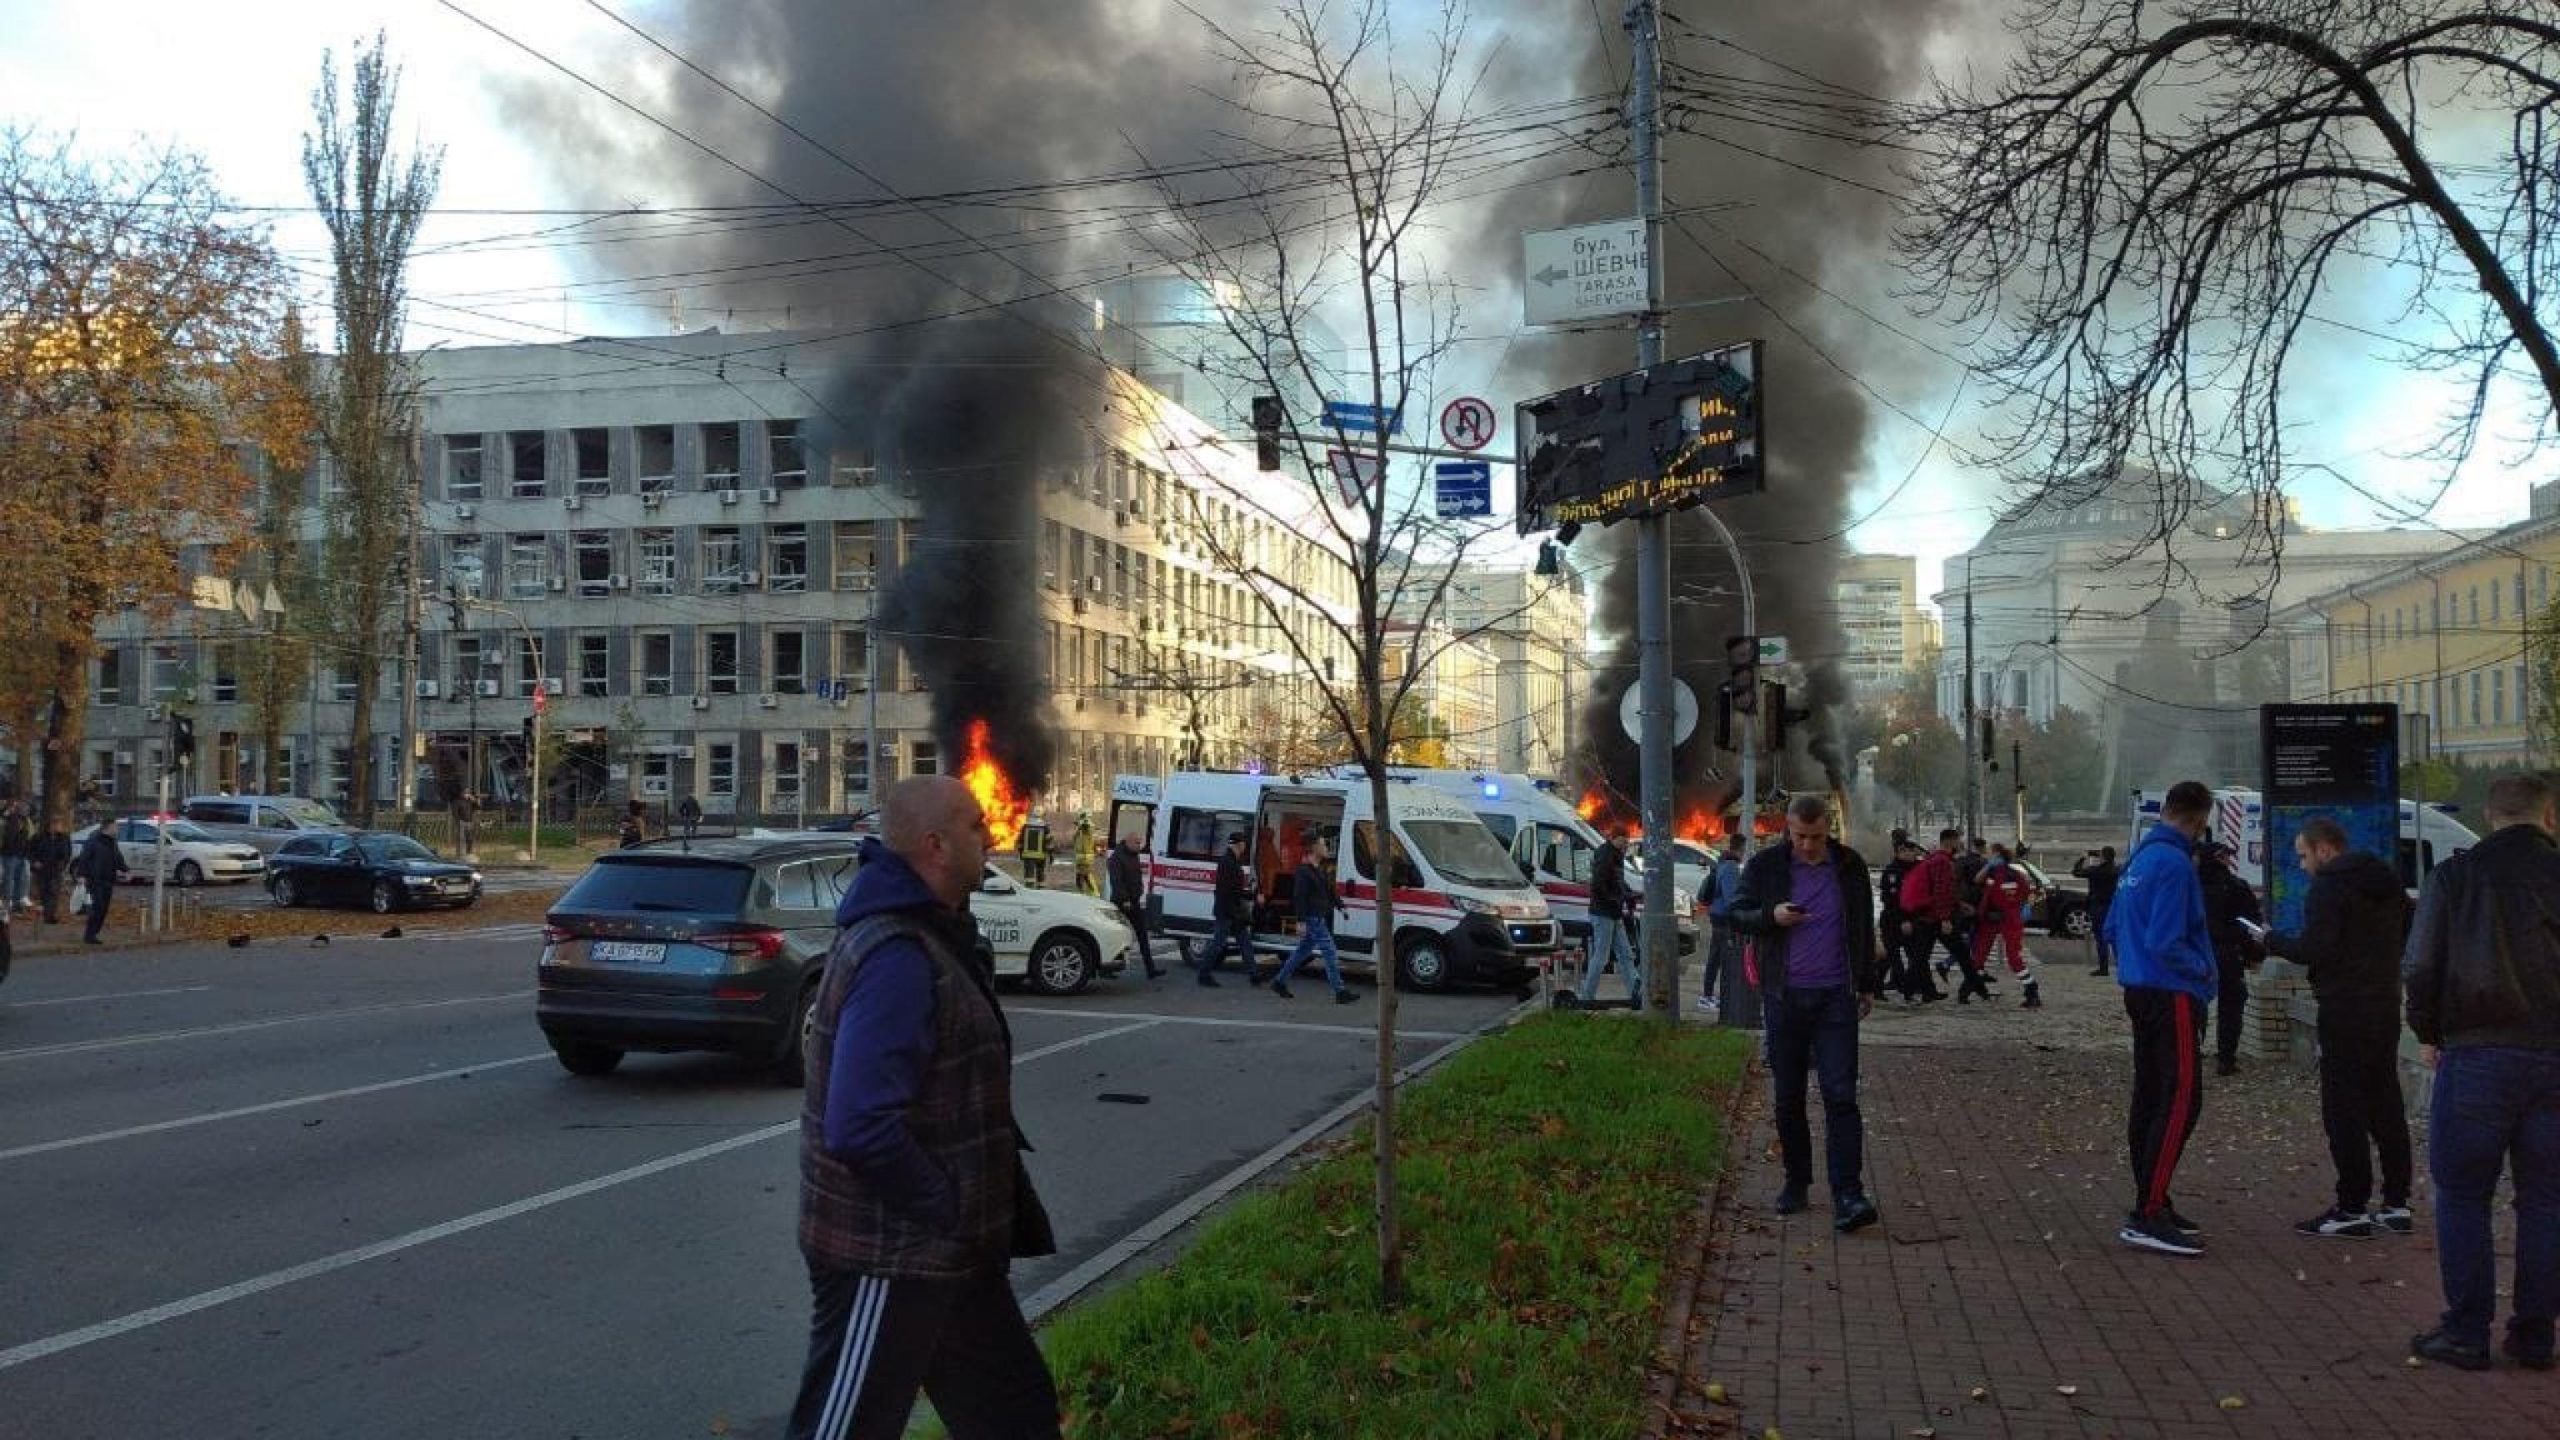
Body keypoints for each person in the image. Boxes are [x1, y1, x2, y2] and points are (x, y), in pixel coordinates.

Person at [784, 775, 1060, 1440]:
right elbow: (859, 1126)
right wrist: (948, 1207)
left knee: (1016, 1416)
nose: (990, 834)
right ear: (935, 846)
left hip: (951, 1256)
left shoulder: (933, 934)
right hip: (889, 1255)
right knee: (844, 1428)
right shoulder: (896, 958)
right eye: (973, 825)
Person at [2402, 772, 2560, 1373]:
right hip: (2554, 1060)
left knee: (2464, 1196)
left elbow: (2419, 966)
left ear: (2492, 815)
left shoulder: (2455, 877)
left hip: (2475, 1055)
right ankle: (2536, 1334)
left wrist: (2429, 1032)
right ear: (2549, 817)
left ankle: (2467, 1331)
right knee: (2546, 1199)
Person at [1727, 794, 1885, 1233]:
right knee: (1788, 1096)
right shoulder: (1767, 866)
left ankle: (1848, 1194)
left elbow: (1861, 924)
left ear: (1828, 829)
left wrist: (1867, 983)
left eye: (1817, 837)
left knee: (1840, 1095)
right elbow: (1733, 913)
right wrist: (1770, 916)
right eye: (1800, 837)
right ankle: (1797, 1181)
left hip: (1836, 994)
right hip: (1785, 995)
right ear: (1788, 829)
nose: (1809, 846)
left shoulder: (1848, 865)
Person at [2264, 815, 2413, 1241]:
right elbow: (2404, 934)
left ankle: (2351, 1207)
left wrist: (2272, 941)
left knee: (2343, 1108)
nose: (2302, 866)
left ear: (2324, 850)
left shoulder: (2329, 886)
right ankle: (2397, 1203)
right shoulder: (2388, 884)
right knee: (2385, 1102)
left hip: (2344, 1008)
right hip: (2384, 1002)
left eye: (2303, 856)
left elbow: (2317, 949)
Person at [2106, 779, 2218, 1257]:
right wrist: (2204, 971)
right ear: (2197, 819)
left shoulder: (2139, 860)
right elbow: (2166, 940)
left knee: (2151, 1096)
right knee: (2180, 1098)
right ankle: (2149, 1211)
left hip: (2138, 988)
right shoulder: (2174, 865)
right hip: (2171, 992)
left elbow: (2110, 926)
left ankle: (2152, 1199)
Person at [2196, 841, 2264, 1077]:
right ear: (2220, 858)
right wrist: (2254, 955)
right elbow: (2250, 925)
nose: (2229, 860)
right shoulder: (2235, 886)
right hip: (2227, 953)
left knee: (2194, 1002)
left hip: (2195, 953)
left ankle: (2192, 1050)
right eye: (2226, 856)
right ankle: (2226, 1058)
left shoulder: (2189, 886)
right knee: (2231, 1005)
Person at [1270, 836, 1354, 1004]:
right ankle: (1340, 991)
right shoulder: (1303, 871)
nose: (1326, 847)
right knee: (1329, 951)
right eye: (1323, 844)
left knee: (1301, 951)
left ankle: (1279, 982)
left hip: (1318, 916)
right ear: (1314, 848)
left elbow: (1330, 892)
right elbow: (1299, 897)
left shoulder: (1319, 869)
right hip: (1312, 918)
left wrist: (1341, 906)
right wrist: (1300, 921)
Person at [1576, 829, 1642, 1008]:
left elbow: (1618, 882)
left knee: (1626, 954)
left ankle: (1636, 992)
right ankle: (1587, 995)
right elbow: (1598, 884)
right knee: (1601, 955)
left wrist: (1628, 895)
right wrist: (1619, 898)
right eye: (1623, 840)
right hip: (1603, 912)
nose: (1626, 844)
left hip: (1613, 912)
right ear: (1613, 838)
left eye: (1627, 841)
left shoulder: (1616, 855)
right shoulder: (1605, 855)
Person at [1972, 843, 2040, 1008]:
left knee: (2005, 957)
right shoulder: (2004, 873)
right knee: (1982, 955)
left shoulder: (2003, 874)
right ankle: (1971, 986)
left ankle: (2031, 989)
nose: (1987, 856)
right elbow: (2027, 893)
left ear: (1997, 855)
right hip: (1998, 918)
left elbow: (2027, 892)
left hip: (2002, 918)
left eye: (1990, 854)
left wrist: (2025, 907)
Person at [1195, 831, 1259, 987]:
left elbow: (1232, 888)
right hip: (1227, 911)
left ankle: (1254, 975)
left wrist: (1248, 893)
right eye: (1244, 843)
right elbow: (1227, 890)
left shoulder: (1231, 860)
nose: (1245, 846)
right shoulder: (1228, 862)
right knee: (1218, 944)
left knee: (1244, 942)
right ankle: (1203, 974)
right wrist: (1249, 894)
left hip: (1233, 911)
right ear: (1239, 844)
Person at [1697, 832, 1747, 1012]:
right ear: (1741, 849)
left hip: (1716, 914)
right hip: (1724, 918)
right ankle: (1708, 996)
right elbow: (1731, 897)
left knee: (1717, 957)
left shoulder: (1722, 863)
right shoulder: (1731, 867)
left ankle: (1708, 995)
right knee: (1720, 958)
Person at [1104, 831, 1163, 979]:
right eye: (1137, 843)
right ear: (1128, 842)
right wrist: (1125, 900)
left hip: (1134, 901)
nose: (1139, 845)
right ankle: (1107, 968)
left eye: (1140, 842)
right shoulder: (1116, 858)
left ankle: (1151, 969)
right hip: (1121, 902)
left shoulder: (1132, 855)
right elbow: (1117, 882)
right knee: (1115, 935)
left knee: (1143, 935)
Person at [1877, 837, 1925, 1004]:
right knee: (1892, 957)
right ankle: (1903, 990)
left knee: (1915, 956)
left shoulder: (1917, 868)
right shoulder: (1893, 872)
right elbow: (1891, 900)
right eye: (1907, 851)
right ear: (1899, 852)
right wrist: (1903, 919)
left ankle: (1911, 987)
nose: (1911, 854)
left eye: (1912, 851)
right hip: (1893, 920)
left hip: (1913, 919)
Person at [2073, 846, 2121, 976]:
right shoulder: (2117, 870)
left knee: (2101, 938)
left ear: (2103, 857)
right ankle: (2121, 966)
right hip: (2113, 906)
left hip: (2098, 906)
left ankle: (2104, 968)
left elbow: (2076, 872)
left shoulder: (2095, 871)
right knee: (2115, 937)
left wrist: (2084, 857)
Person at [75, 819, 123, 945]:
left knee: (104, 909)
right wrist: (81, 875)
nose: (117, 829)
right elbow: (84, 858)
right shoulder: (94, 841)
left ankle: (94, 933)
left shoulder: (112, 843)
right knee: (97, 907)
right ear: (108, 828)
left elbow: (117, 857)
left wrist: (125, 869)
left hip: (109, 879)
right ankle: (89, 934)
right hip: (95, 879)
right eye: (115, 827)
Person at [30, 824, 71, 923]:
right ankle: (46, 913)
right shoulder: (38, 837)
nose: (57, 827)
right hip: (42, 868)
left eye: (59, 825)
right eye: (54, 825)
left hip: (56, 869)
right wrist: (34, 861)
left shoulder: (65, 838)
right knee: (44, 891)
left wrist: (63, 863)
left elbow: (67, 853)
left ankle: (50, 915)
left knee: (54, 892)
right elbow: (30, 851)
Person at [1, 797, 31, 913]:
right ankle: (9, 904)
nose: (25, 809)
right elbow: (10, 837)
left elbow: (26, 837)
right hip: (11, 854)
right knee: (10, 880)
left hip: (19, 854)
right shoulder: (12, 819)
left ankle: (15, 904)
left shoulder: (24, 820)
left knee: (18, 880)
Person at [1016, 812, 1050, 890]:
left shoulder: (1025, 826)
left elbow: (1020, 841)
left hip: (1028, 856)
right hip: (1041, 856)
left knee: (1029, 876)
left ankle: (1029, 890)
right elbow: (1049, 842)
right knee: (1040, 874)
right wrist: (1050, 854)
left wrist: (1021, 853)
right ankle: (1041, 891)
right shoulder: (1045, 827)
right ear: (1041, 816)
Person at [1069, 815, 1097, 896]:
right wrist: (1078, 828)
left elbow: (1089, 828)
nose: (1078, 827)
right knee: (1082, 877)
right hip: (1081, 859)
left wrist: (1083, 824)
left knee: (1085, 876)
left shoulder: (1088, 834)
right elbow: (1074, 839)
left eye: (1080, 826)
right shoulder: (1079, 834)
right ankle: (1084, 893)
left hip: (1085, 858)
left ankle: (1093, 893)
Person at [453, 789, 480, 857]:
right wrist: (458, 820)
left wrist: (474, 801)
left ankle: (469, 852)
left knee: (470, 838)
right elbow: (455, 812)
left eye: (468, 793)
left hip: (469, 822)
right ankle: (461, 853)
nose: (467, 795)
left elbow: (478, 807)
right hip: (462, 821)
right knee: (462, 838)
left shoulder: (471, 802)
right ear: (462, 794)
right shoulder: (458, 802)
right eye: (465, 793)